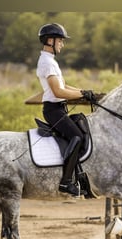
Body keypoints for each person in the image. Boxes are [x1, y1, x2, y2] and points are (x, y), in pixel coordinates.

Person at [36, 23, 96, 196]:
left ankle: (80, 177)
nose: (62, 44)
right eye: (60, 41)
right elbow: (58, 91)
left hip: (59, 108)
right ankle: (65, 182)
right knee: (76, 137)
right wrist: (81, 94)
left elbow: (64, 86)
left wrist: (82, 93)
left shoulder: (50, 61)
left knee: (81, 131)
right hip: (54, 110)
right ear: (50, 40)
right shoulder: (47, 63)